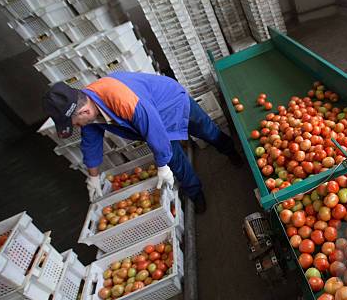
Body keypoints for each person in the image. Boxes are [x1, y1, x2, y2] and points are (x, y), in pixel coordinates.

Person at [42, 71, 242, 213]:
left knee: (205, 130)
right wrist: (93, 176)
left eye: (75, 123)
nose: (78, 126)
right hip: (151, 115)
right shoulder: (87, 107)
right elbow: (91, 143)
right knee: (176, 162)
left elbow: (153, 127)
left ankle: (230, 151)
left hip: (172, 102)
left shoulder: (121, 98)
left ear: (84, 111)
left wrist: (161, 164)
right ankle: (196, 193)